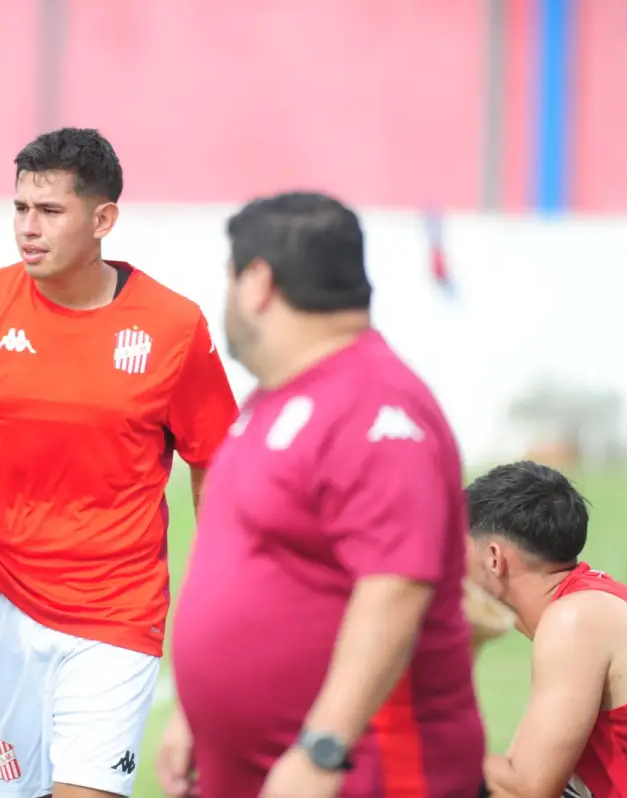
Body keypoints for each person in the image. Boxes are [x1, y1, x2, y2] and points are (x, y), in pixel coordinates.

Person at [0, 127, 239, 798]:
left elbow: (217, 466)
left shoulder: (174, 327)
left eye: (50, 211)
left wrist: (219, 595)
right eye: (21, 209)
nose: (28, 228)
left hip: (119, 612)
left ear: (103, 219)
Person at [160, 191, 486, 798]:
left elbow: (396, 587)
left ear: (257, 284)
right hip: (255, 768)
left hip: (360, 773)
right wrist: (193, 714)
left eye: (229, 278)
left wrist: (323, 748)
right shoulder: (275, 398)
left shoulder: (376, 405)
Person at [467, 461, 627, 798]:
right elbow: (512, 775)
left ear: (494, 558)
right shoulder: (592, 603)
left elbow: (527, 788)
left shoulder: (575, 621)